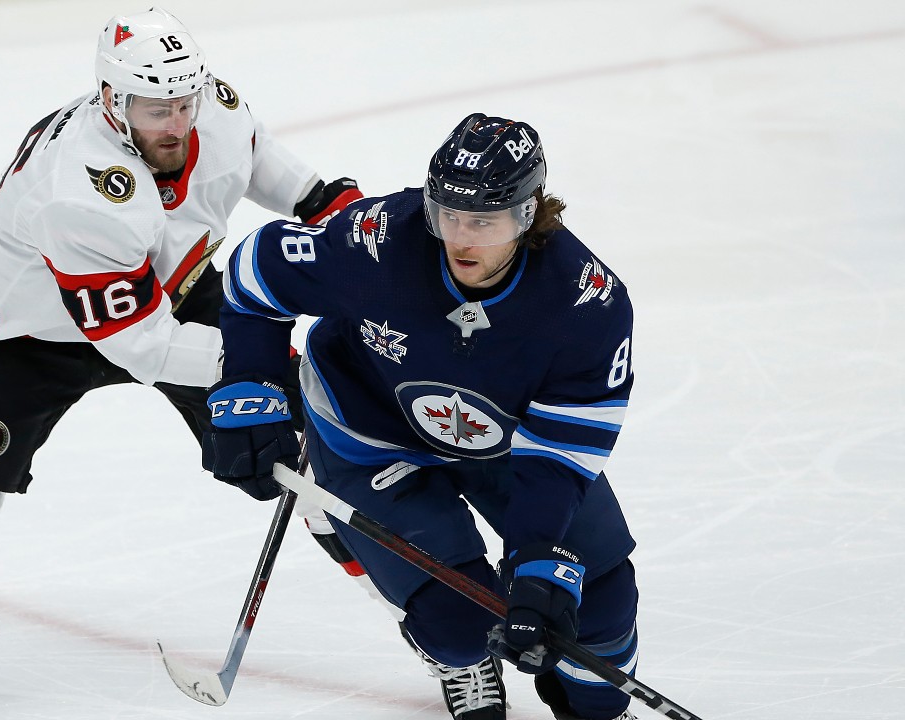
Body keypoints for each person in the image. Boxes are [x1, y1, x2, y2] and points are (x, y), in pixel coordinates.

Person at [0, 7, 362, 706]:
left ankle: (431, 626)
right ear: (113, 103)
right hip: (29, 339)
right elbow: (140, 346)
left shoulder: (212, 106)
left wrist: (332, 210)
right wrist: (256, 366)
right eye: (155, 109)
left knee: (320, 458)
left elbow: (259, 157)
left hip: (171, 292)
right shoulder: (79, 193)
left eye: (183, 102)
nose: (175, 123)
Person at [202, 113, 642, 720]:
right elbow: (255, 273)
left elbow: (562, 451)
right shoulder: (377, 241)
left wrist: (536, 554)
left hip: (510, 448)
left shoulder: (585, 302)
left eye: (484, 221)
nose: (462, 240)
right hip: (369, 439)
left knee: (597, 603)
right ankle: (460, 659)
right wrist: (251, 387)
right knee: (460, 625)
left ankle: (595, 702)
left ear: (528, 214)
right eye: (448, 216)